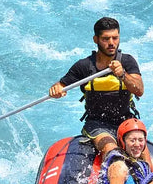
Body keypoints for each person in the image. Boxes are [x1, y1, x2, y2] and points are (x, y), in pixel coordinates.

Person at [49, 17, 144, 157]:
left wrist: (123, 74)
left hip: (125, 121)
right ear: (96, 39)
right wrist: (56, 89)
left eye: (115, 38)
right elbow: (61, 85)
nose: (111, 43)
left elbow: (139, 90)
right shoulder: (84, 66)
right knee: (112, 150)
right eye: (106, 39)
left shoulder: (127, 61)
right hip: (97, 124)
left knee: (143, 154)